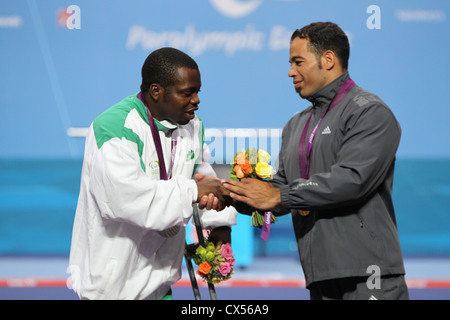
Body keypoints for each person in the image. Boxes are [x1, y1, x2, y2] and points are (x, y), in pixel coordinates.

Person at [223, 22, 409, 300]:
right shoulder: (295, 125)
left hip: (370, 276)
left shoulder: (370, 113)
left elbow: (351, 180)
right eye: (290, 63)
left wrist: (278, 195)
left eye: (298, 62)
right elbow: (281, 188)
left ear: (329, 60)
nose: (290, 72)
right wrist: (232, 193)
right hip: (319, 276)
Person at [69, 47, 236, 300]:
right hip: (113, 289)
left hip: (160, 283)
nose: (197, 100)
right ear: (156, 92)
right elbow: (125, 200)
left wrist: (219, 225)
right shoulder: (115, 127)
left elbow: (203, 177)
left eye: (197, 92)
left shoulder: (192, 125)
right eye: (187, 93)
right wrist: (193, 190)